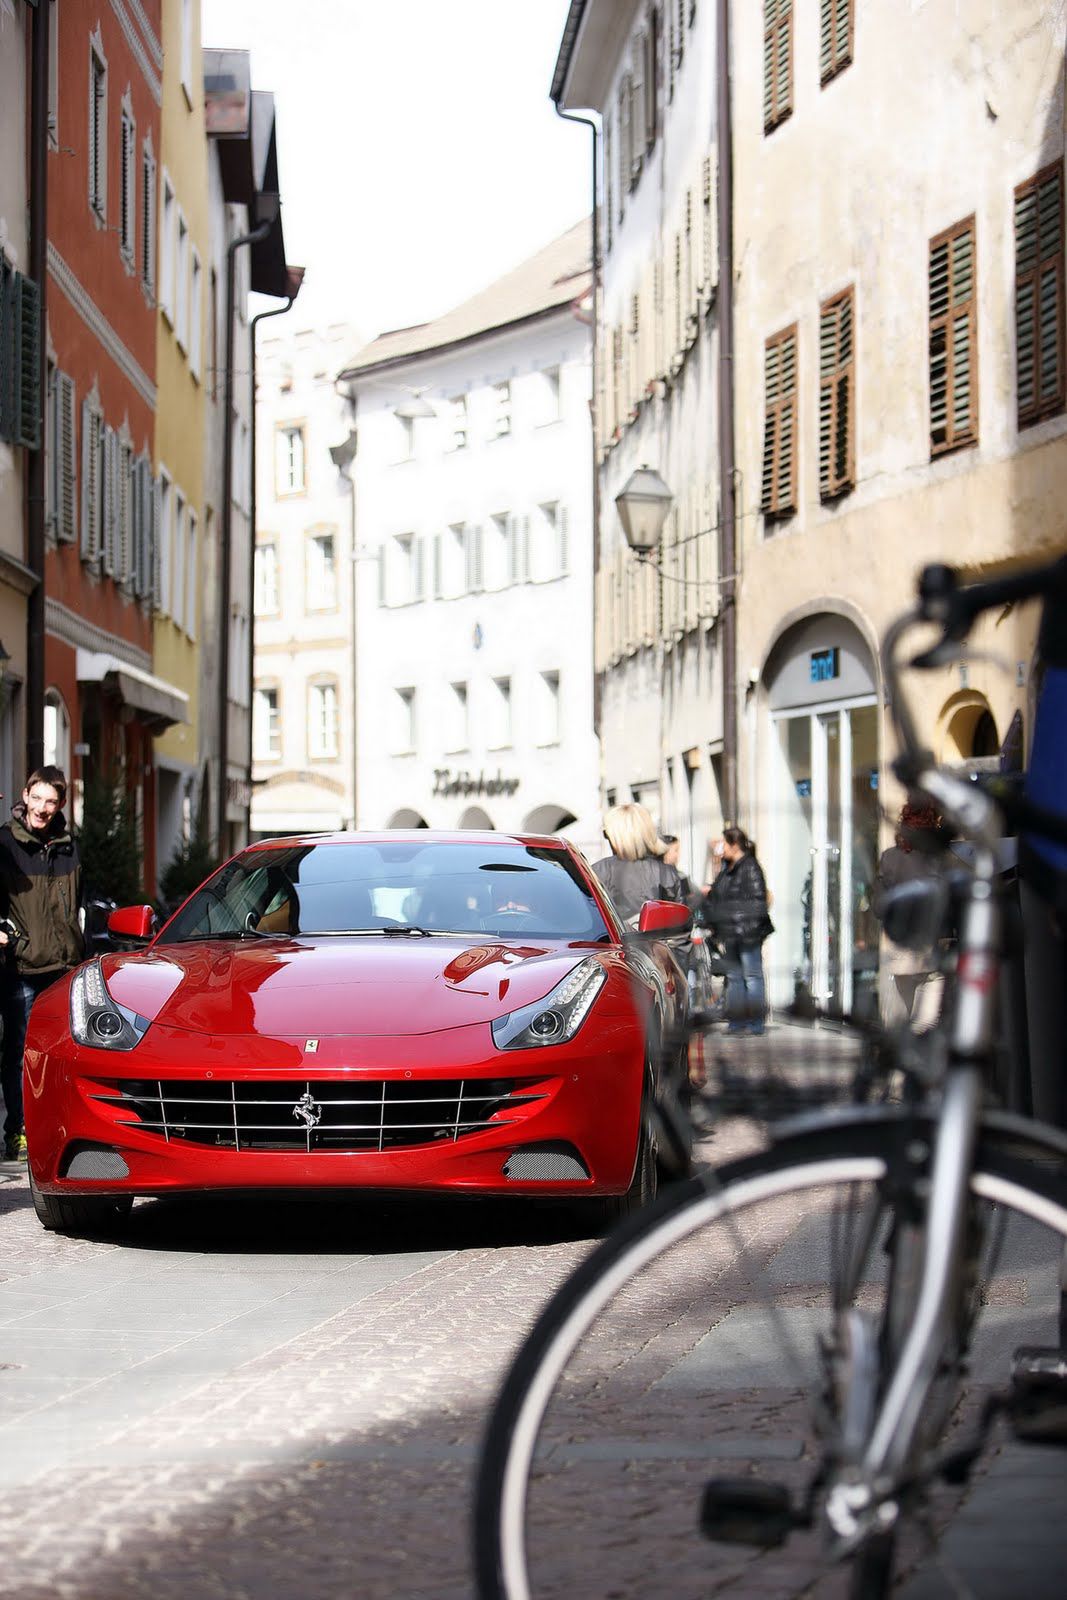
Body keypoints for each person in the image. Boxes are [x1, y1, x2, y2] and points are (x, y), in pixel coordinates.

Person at [0, 767, 85, 1161]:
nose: (43, 808)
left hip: (65, 966)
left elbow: (82, 900)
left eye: (51, 801)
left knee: (66, 1053)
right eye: (37, 798)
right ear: (25, 796)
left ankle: (62, 1129)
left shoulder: (70, 846)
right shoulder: (5, 842)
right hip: (23, 969)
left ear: (60, 805)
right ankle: (17, 1132)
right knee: (19, 1052)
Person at [872, 799, 945, 1029]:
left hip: (900, 946)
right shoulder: (940, 858)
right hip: (932, 945)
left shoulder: (889, 858)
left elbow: (878, 906)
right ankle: (915, 1058)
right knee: (926, 1017)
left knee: (902, 1017)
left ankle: (903, 1060)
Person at [698, 826, 773, 1035]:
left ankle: (756, 1022)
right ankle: (737, 1021)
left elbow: (759, 900)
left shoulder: (750, 866)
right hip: (730, 931)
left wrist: (746, 927)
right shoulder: (727, 867)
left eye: (724, 843)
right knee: (735, 976)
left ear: (734, 845)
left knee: (752, 976)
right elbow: (717, 895)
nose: (721, 847)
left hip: (747, 933)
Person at [591, 803, 683, 927]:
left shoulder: (597, 872)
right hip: (657, 944)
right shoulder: (666, 873)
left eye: (606, 834)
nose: (607, 839)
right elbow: (679, 929)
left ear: (616, 835)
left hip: (612, 944)